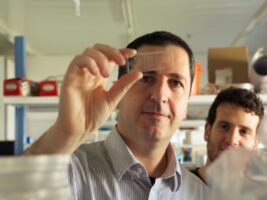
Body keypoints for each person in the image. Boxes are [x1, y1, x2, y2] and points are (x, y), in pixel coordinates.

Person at [24, 31, 208, 199]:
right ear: (119, 93)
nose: (160, 95)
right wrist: (65, 133)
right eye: (146, 78)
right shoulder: (73, 170)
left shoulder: (199, 193)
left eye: (175, 83)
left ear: (186, 105)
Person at [190, 87, 264, 184]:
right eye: (224, 127)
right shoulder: (178, 191)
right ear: (207, 131)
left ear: (256, 143)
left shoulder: (264, 195)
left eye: (244, 131)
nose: (232, 140)